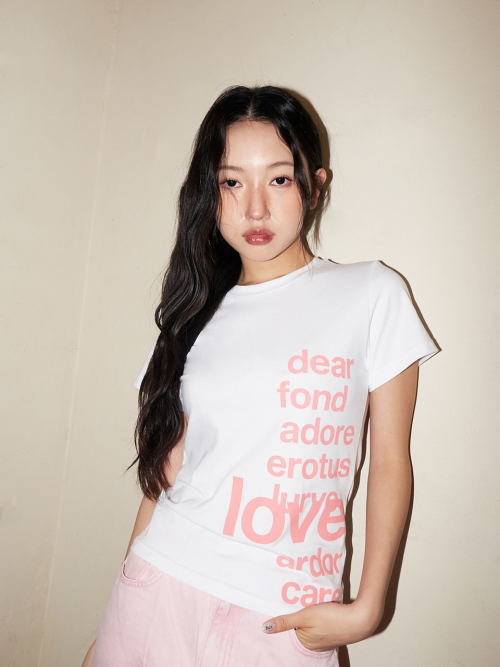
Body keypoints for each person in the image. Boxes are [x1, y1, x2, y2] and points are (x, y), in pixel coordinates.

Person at [82, 85, 438, 667]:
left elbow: (390, 460)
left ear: (314, 186)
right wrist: (113, 624)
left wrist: (369, 608)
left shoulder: (372, 293)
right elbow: (164, 477)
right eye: (231, 182)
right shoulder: (192, 316)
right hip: (158, 583)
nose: (254, 209)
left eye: (278, 179)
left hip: (281, 616)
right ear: (209, 191)